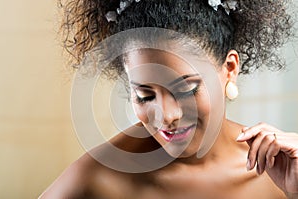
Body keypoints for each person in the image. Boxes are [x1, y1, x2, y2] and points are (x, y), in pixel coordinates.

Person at [40, 0, 298, 198]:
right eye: (145, 95)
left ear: (229, 69)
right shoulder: (99, 178)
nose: (167, 116)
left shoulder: (279, 172)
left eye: (186, 90)